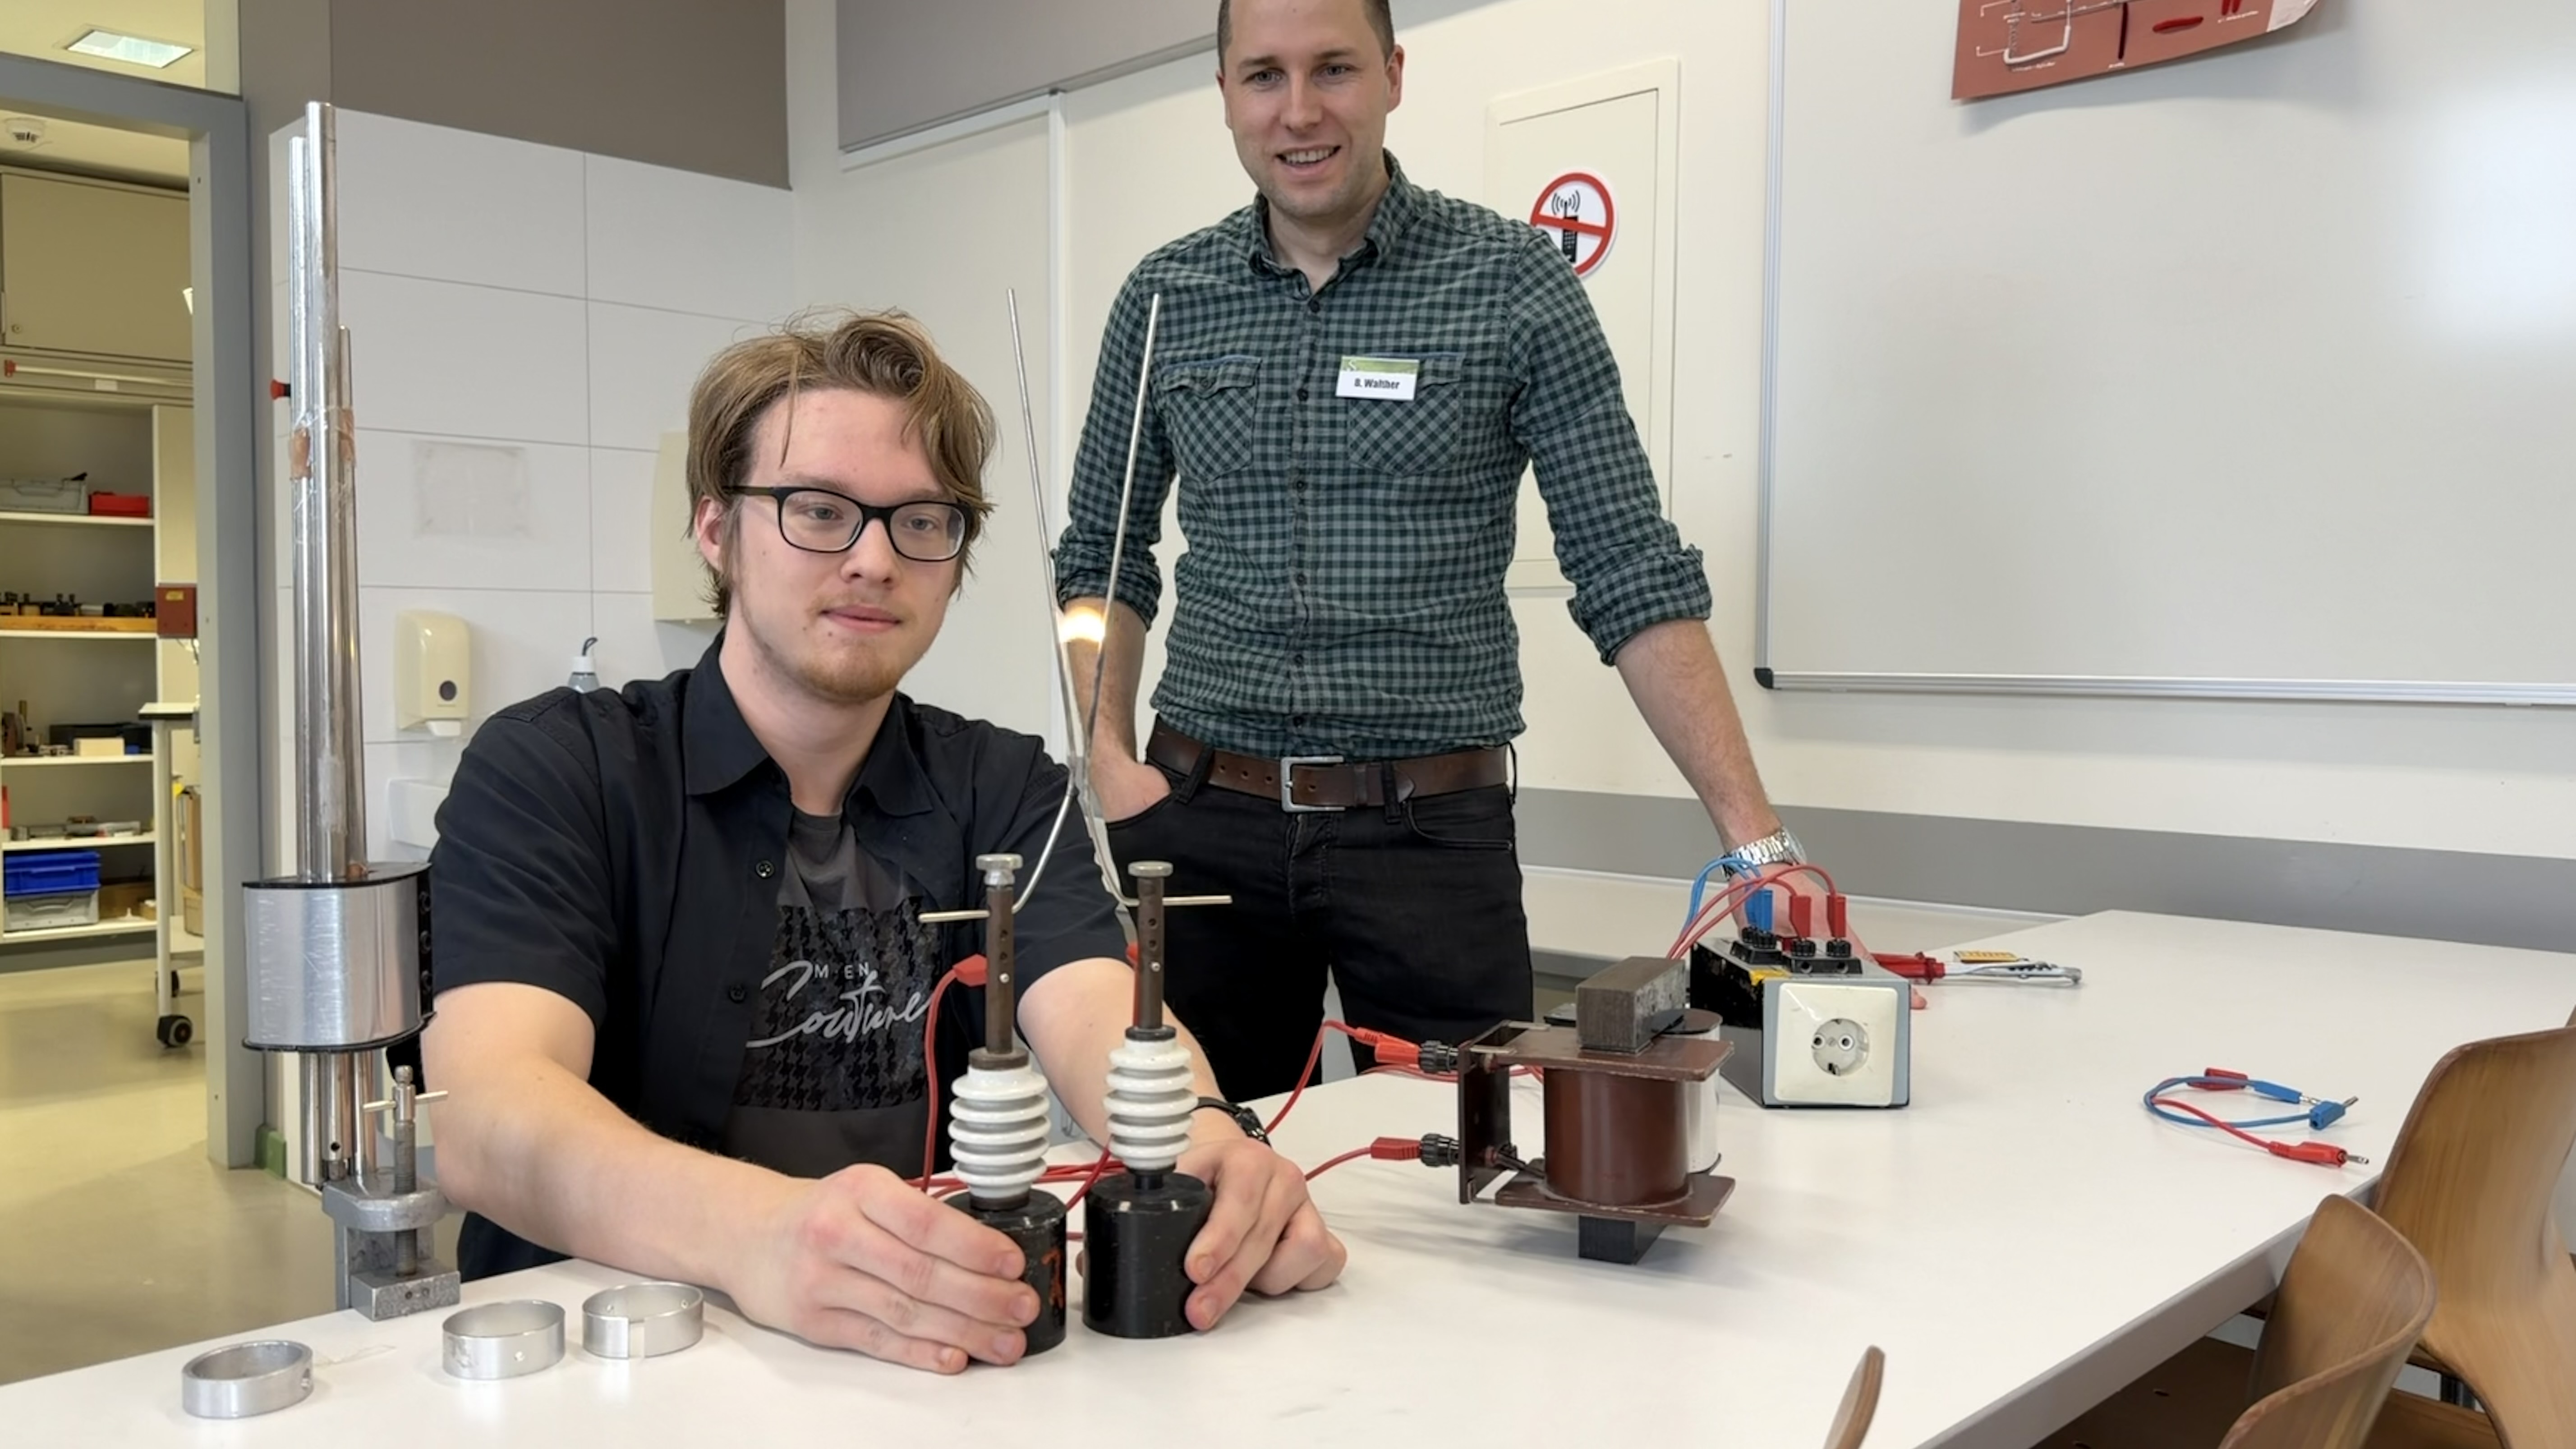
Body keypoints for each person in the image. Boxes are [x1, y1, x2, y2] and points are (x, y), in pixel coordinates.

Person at [422, 311, 1343, 1376]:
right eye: (818, 510)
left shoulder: (1002, 785)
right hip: (612, 1362)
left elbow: (1098, 1008)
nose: (874, 559)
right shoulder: (560, 768)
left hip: (918, 1357)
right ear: (715, 528)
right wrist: (763, 1233)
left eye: (921, 520)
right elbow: (487, 1113)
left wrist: (1212, 1146)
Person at [1053, 0, 1817, 1101]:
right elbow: (1101, 559)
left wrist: (1756, 845)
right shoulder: (1165, 298)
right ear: (1224, 93)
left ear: (1393, 75)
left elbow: (1630, 566)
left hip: (1429, 840)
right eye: (1264, 75)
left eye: (1334, 69)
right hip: (1202, 821)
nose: (1299, 111)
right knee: (1197, 1151)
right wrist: (1104, 753)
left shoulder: (1512, 284)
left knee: (1473, 1153)